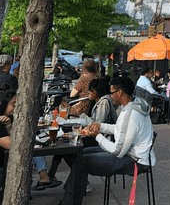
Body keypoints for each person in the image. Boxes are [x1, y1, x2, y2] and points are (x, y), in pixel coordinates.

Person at [59, 77, 156, 205]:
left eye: (111, 93)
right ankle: (70, 197)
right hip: (134, 154)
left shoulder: (131, 113)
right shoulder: (134, 105)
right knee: (82, 153)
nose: (110, 96)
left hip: (135, 160)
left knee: (82, 161)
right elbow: (121, 129)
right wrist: (100, 126)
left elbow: (118, 151)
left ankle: (69, 201)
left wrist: (98, 136)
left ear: (119, 92)